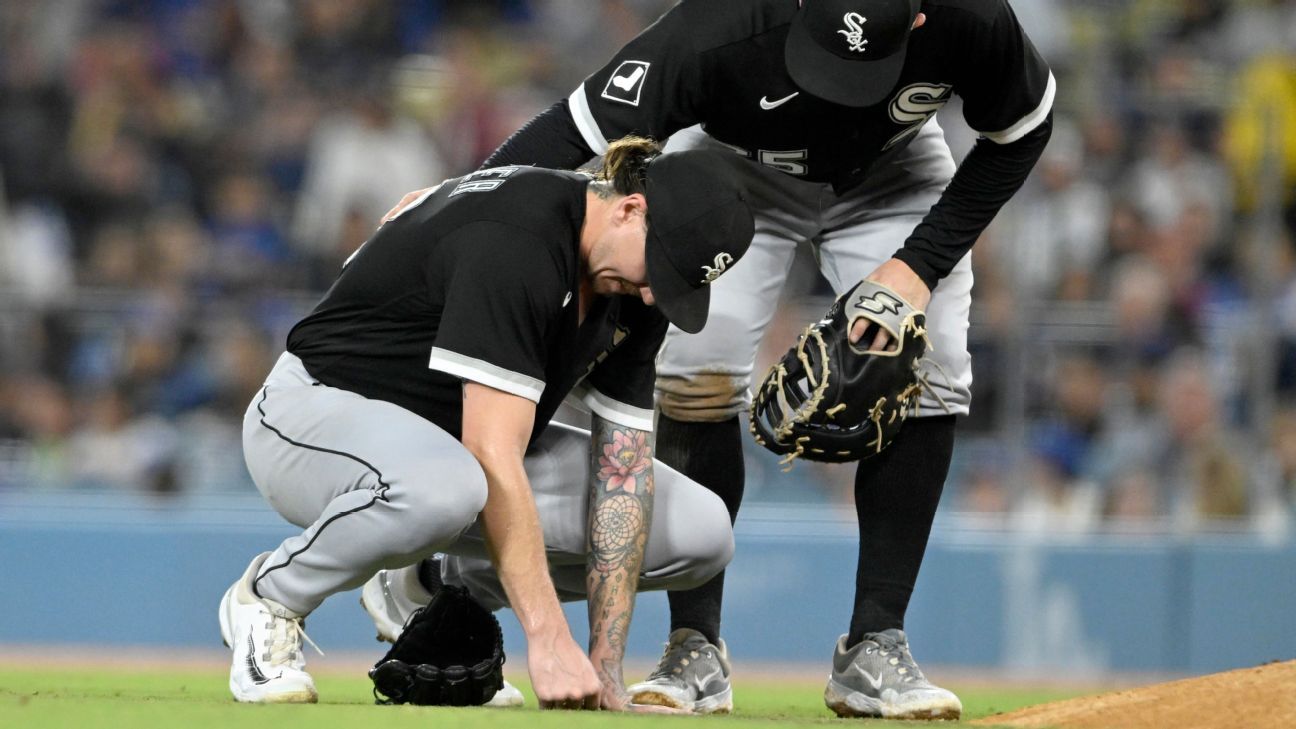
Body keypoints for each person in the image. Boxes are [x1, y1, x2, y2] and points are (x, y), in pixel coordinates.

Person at [412, 0, 1053, 720]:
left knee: (922, 366)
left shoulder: (976, 18)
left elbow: (1024, 130)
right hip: (735, 167)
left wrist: (919, 266)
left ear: (922, 19)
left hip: (894, 169)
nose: (837, 77)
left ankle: (878, 641)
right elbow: (573, 129)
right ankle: (695, 645)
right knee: (695, 370)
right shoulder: (718, 24)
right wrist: (448, 215)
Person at [217, 137, 755, 710]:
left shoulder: (632, 283)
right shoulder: (520, 235)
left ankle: (430, 585)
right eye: (663, 268)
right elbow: (491, 450)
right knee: (447, 487)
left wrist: (604, 666)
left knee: (700, 533)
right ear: (629, 209)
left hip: (448, 454)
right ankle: (268, 599)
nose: (655, 291)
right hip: (314, 416)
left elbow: (620, 475)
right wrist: (547, 639)